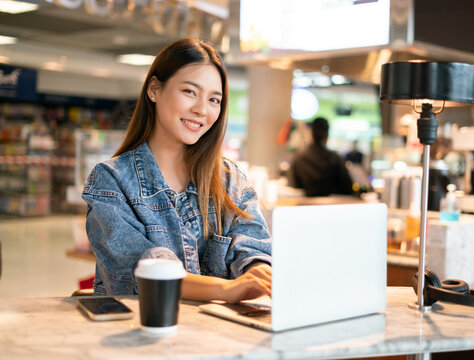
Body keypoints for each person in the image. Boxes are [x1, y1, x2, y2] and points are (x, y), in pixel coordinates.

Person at [82, 38, 271, 303]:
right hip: (146, 334)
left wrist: (259, 274)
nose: (201, 110)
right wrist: (226, 289)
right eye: (190, 92)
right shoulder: (111, 181)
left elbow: (253, 247)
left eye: (214, 99)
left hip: (221, 337)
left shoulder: (230, 180)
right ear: (155, 90)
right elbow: (146, 270)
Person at [289, 117, 353, 197]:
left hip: (305, 206)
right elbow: (348, 188)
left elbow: (293, 187)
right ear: (327, 135)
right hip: (332, 206)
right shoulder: (335, 158)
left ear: (311, 133)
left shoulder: (299, 158)